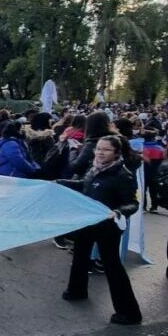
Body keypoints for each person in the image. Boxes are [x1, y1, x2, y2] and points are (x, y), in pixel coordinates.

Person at [58, 135, 143, 325]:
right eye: (98, 148)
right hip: (86, 222)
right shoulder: (94, 168)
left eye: (106, 149)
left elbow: (133, 203)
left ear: (116, 153)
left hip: (107, 228)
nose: (100, 152)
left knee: (112, 266)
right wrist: (60, 183)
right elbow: (84, 186)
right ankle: (77, 291)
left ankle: (129, 312)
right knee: (80, 257)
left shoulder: (123, 175)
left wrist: (118, 212)